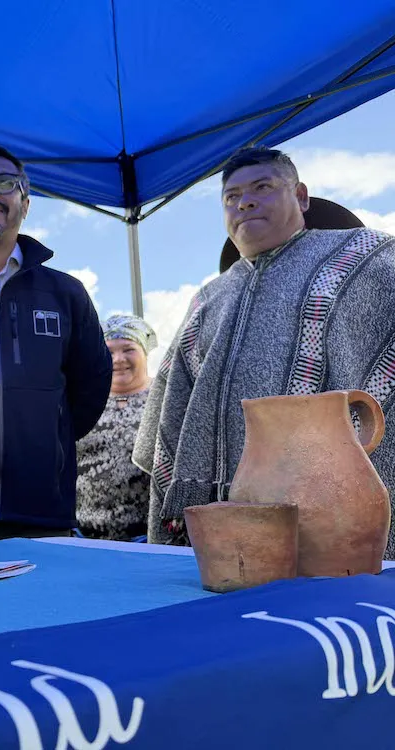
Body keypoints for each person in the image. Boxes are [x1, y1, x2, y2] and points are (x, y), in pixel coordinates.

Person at [133, 146, 395, 557]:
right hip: (221, 517)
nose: (245, 202)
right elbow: (172, 407)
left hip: (337, 505)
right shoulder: (208, 299)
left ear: (302, 196)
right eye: (231, 197)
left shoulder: (366, 257)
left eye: (262, 187)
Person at [0, 144, 112, 542]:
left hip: (45, 517)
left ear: (25, 203)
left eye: (6, 182)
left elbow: (91, 386)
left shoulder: (65, 293)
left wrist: (46, 435)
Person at [75, 314, 157, 541]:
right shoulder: (83, 399)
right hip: (85, 538)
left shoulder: (165, 399)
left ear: (144, 351)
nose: (118, 359)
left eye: (128, 349)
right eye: (109, 351)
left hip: (147, 539)